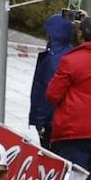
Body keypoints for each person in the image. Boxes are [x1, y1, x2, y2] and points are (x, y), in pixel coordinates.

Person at [45, 14, 91, 170]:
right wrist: (90, 20)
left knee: (73, 178)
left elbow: (53, 95)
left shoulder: (70, 60)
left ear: (79, 34)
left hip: (74, 130)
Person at [28, 13, 75, 148]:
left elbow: (47, 92)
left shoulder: (53, 60)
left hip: (51, 122)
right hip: (65, 120)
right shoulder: (71, 53)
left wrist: (40, 121)